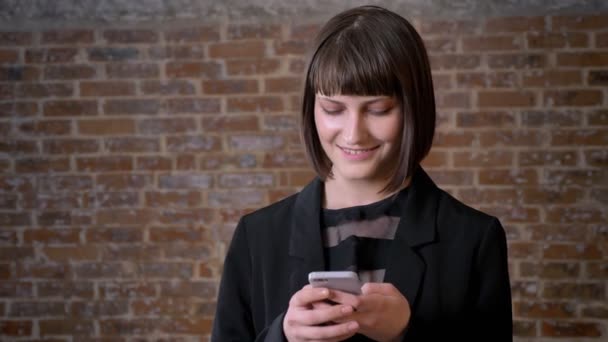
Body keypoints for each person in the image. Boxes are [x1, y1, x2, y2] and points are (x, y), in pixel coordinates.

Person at [212, 5, 512, 342]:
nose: (354, 134)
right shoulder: (257, 236)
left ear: (414, 107)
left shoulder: (473, 238)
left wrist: (407, 333)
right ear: (312, 108)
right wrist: (281, 336)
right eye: (333, 109)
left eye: (378, 109)